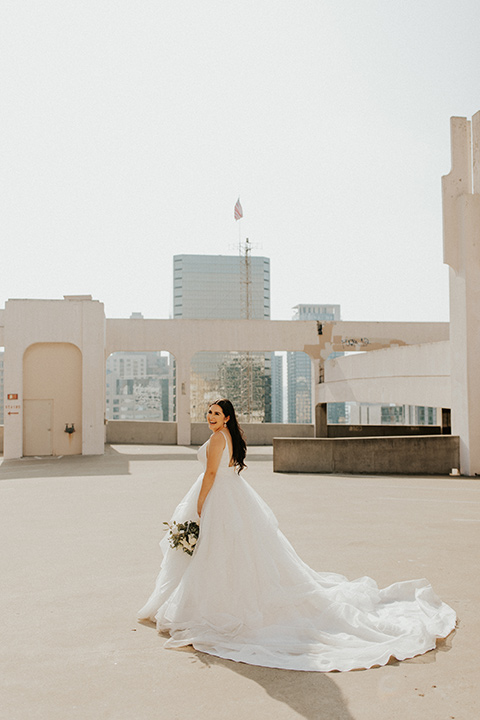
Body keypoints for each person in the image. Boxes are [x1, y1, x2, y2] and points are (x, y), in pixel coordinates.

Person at [137, 399, 456, 672]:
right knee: (228, 552)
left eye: (216, 414)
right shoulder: (230, 437)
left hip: (217, 496)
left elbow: (210, 473)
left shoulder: (219, 438)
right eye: (208, 413)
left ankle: (211, 607)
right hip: (232, 494)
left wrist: (201, 504)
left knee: (216, 551)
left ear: (227, 418)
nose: (210, 418)